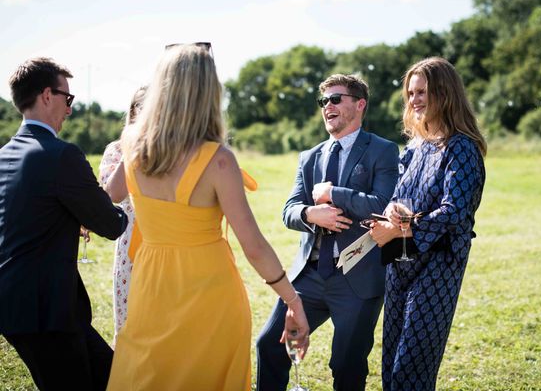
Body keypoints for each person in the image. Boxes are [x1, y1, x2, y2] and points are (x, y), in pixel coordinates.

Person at [106, 43, 309, 391]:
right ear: (208, 93)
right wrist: (292, 299)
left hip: (150, 284)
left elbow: (105, 199)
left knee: (146, 375)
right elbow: (254, 246)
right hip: (211, 294)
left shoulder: (132, 146)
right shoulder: (218, 160)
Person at [257, 74, 399, 391]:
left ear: (359, 104)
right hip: (309, 277)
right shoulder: (309, 158)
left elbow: (384, 204)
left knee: (347, 366)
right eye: (324, 101)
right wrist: (310, 212)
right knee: (269, 345)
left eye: (336, 99)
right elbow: (289, 210)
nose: (328, 107)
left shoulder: (383, 150)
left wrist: (335, 193)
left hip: (358, 278)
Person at [0, 58, 129, 391]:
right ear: (47, 96)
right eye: (67, 99)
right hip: (47, 313)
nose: (70, 110)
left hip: (20, 308)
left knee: (113, 377)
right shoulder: (60, 155)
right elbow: (111, 224)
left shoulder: (5, 155)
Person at [369, 57, 486, 391]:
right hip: (400, 260)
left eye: (422, 92)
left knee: (412, 367)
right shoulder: (416, 145)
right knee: (390, 362)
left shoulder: (461, 147)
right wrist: (392, 211)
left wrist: (403, 229)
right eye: (410, 93)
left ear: (444, 93)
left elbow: (455, 211)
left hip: (438, 265)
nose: (414, 99)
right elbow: (399, 193)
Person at [99, 85, 147, 337]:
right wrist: (135, 144)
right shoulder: (117, 150)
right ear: (135, 112)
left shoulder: (173, 150)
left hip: (169, 242)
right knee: (130, 327)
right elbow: (113, 194)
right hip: (131, 246)